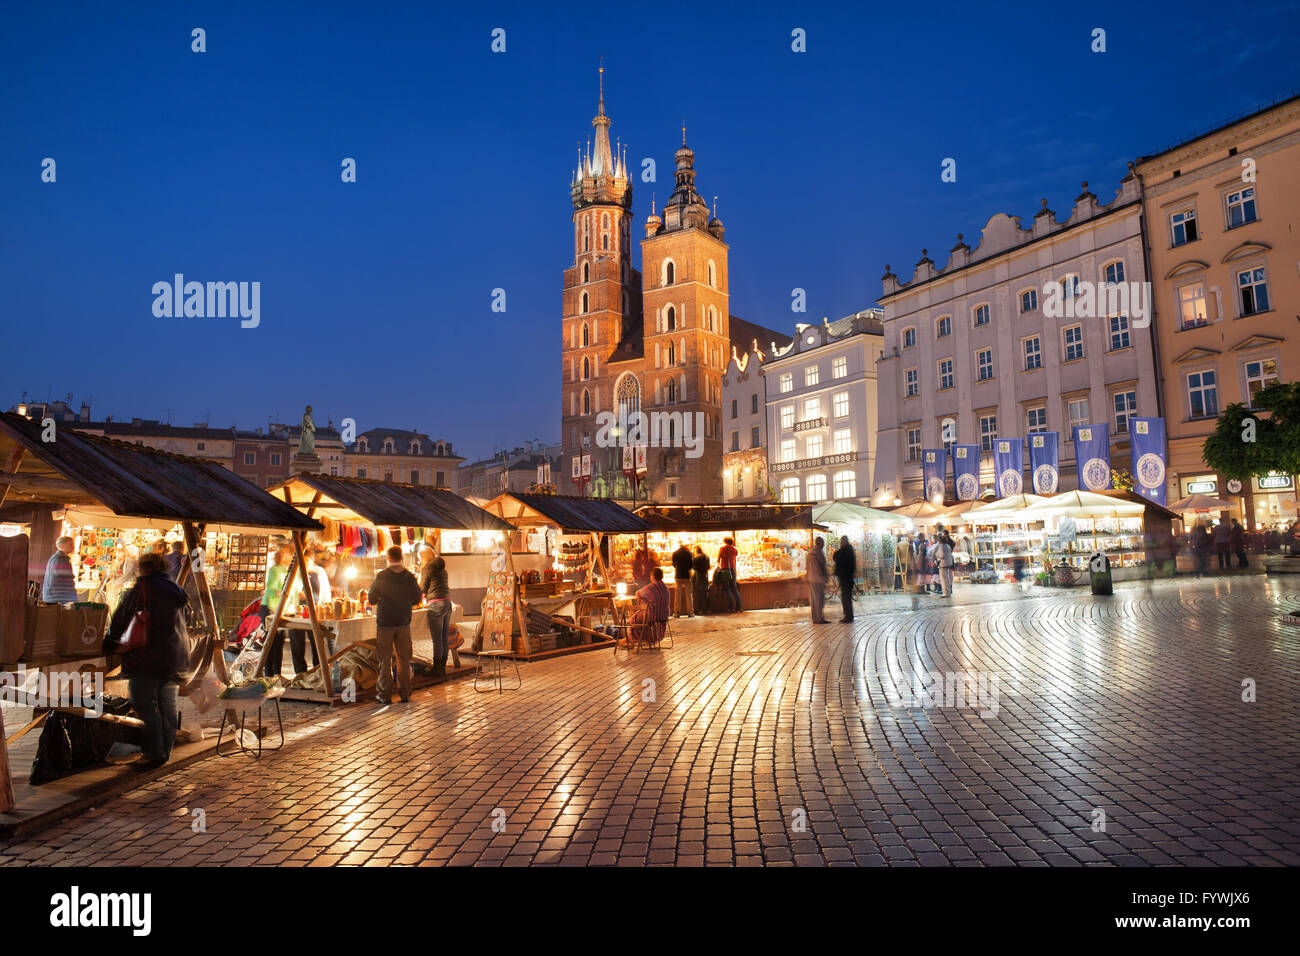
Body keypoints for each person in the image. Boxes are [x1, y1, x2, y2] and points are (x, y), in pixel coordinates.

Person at [102, 551, 190, 768]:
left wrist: (109, 644)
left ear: (143, 568)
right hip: (174, 656)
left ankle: (154, 751)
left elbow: (121, 618)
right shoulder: (175, 589)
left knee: (142, 702)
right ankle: (165, 751)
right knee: (167, 705)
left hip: (147, 656)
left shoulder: (143, 588)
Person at [367, 546, 423, 704]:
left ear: (388, 558)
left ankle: (384, 695)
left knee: (384, 660)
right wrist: (405, 603)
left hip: (385, 622)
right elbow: (417, 598)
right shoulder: (409, 576)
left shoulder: (382, 576)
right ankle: (405, 694)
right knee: (404, 659)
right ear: (401, 557)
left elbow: (371, 599)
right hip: (404, 622)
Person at [260, 543, 296, 678]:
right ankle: (268, 672)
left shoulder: (284, 570)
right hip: (271, 608)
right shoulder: (275, 570)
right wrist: (282, 593)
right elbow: (271, 590)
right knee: (271, 641)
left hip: (282, 609)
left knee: (279, 642)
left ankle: (277, 672)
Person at [419, 545, 452, 679]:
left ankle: (437, 669)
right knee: (444, 638)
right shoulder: (442, 569)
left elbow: (422, 588)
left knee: (437, 639)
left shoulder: (427, 568)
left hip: (435, 604)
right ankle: (442, 667)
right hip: (447, 603)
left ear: (424, 557)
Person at [631, 567, 671, 645]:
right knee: (642, 618)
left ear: (652, 576)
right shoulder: (665, 588)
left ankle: (637, 639)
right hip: (664, 616)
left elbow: (638, 593)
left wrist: (643, 601)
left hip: (653, 616)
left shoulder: (652, 587)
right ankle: (646, 639)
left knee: (633, 620)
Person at [104, 543, 139, 614]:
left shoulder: (131, 561)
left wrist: (117, 583)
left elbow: (127, 574)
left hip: (128, 585)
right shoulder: (125, 561)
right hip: (127, 585)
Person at [42, 535, 78, 603]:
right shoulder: (58, 560)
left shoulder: (62, 559)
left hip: (58, 596)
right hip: (57, 597)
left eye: (73, 545)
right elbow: (64, 579)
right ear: (61, 546)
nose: (73, 547)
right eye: (70, 545)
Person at [832, 535, 856, 622]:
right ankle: (848, 615)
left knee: (846, 597)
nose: (841, 543)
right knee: (846, 597)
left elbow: (836, 557)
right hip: (847, 577)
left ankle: (848, 616)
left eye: (842, 542)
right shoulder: (848, 550)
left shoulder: (846, 551)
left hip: (846, 577)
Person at [806, 536, 829, 623]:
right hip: (818, 580)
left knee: (814, 600)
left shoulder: (810, 553)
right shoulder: (818, 553)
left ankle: (815, 618)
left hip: (811, 579)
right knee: (819, 600)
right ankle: (819, 618)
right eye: (823, 543)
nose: (823, 545)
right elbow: (821, 567)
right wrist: (825, 577)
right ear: (820, 543)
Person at [716, 537, 742, 612]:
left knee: (727, 589)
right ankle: (739, 607)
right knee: (734, 588)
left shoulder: (722, 548)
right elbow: (736, 556)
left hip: (725, 570)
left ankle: (731, 608)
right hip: (733, 570)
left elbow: (718, 559)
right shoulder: (734, 549)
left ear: (725, 541)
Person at [671, 541, 694, 617]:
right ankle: (690, 612)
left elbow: (673, 564)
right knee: (688, 594)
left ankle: (677, 613)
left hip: (678, 575)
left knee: (677, 595)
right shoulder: (689, 553)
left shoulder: (675, 553)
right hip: (687, 575)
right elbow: (691, 565)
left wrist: (678, 568)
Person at [691, 545, 711, 615]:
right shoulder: (706, 556)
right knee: (705, 593)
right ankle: (707, 609)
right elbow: (709, 567)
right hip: (705, 575)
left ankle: (700, 610)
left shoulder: (696, 558)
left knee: (698, 593)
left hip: (698, 576)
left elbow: (693, 567)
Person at [937, 531, 955, 598]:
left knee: (944, 579)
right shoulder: (947, 545)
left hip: (943, 563)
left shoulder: (941, 546)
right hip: (948, 563)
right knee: (947, 579)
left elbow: (942, 555)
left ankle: (945, 593)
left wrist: (938, 556)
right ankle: (948, 592)